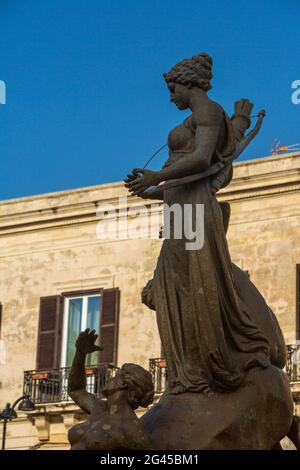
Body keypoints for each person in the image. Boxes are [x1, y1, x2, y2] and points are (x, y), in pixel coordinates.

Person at [125, 53, 270, 394]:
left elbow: (205, 158)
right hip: (180, 212)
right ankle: (187, 369)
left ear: (189, 83)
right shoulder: (203, 115)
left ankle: (205, 364)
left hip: (193, 213)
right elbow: (212, 159)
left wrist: (157, 175)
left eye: (173, 88)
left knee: (190, 286)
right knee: (172, 288)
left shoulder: (206, 111)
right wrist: (153, 190)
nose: (171, 95)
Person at [67, 329, 154, 450]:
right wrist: (80, 354)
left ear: (124, 383)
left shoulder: (131, 429)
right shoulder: (98, 408)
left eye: (115, 376)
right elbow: (76, 390)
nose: (109, 378)